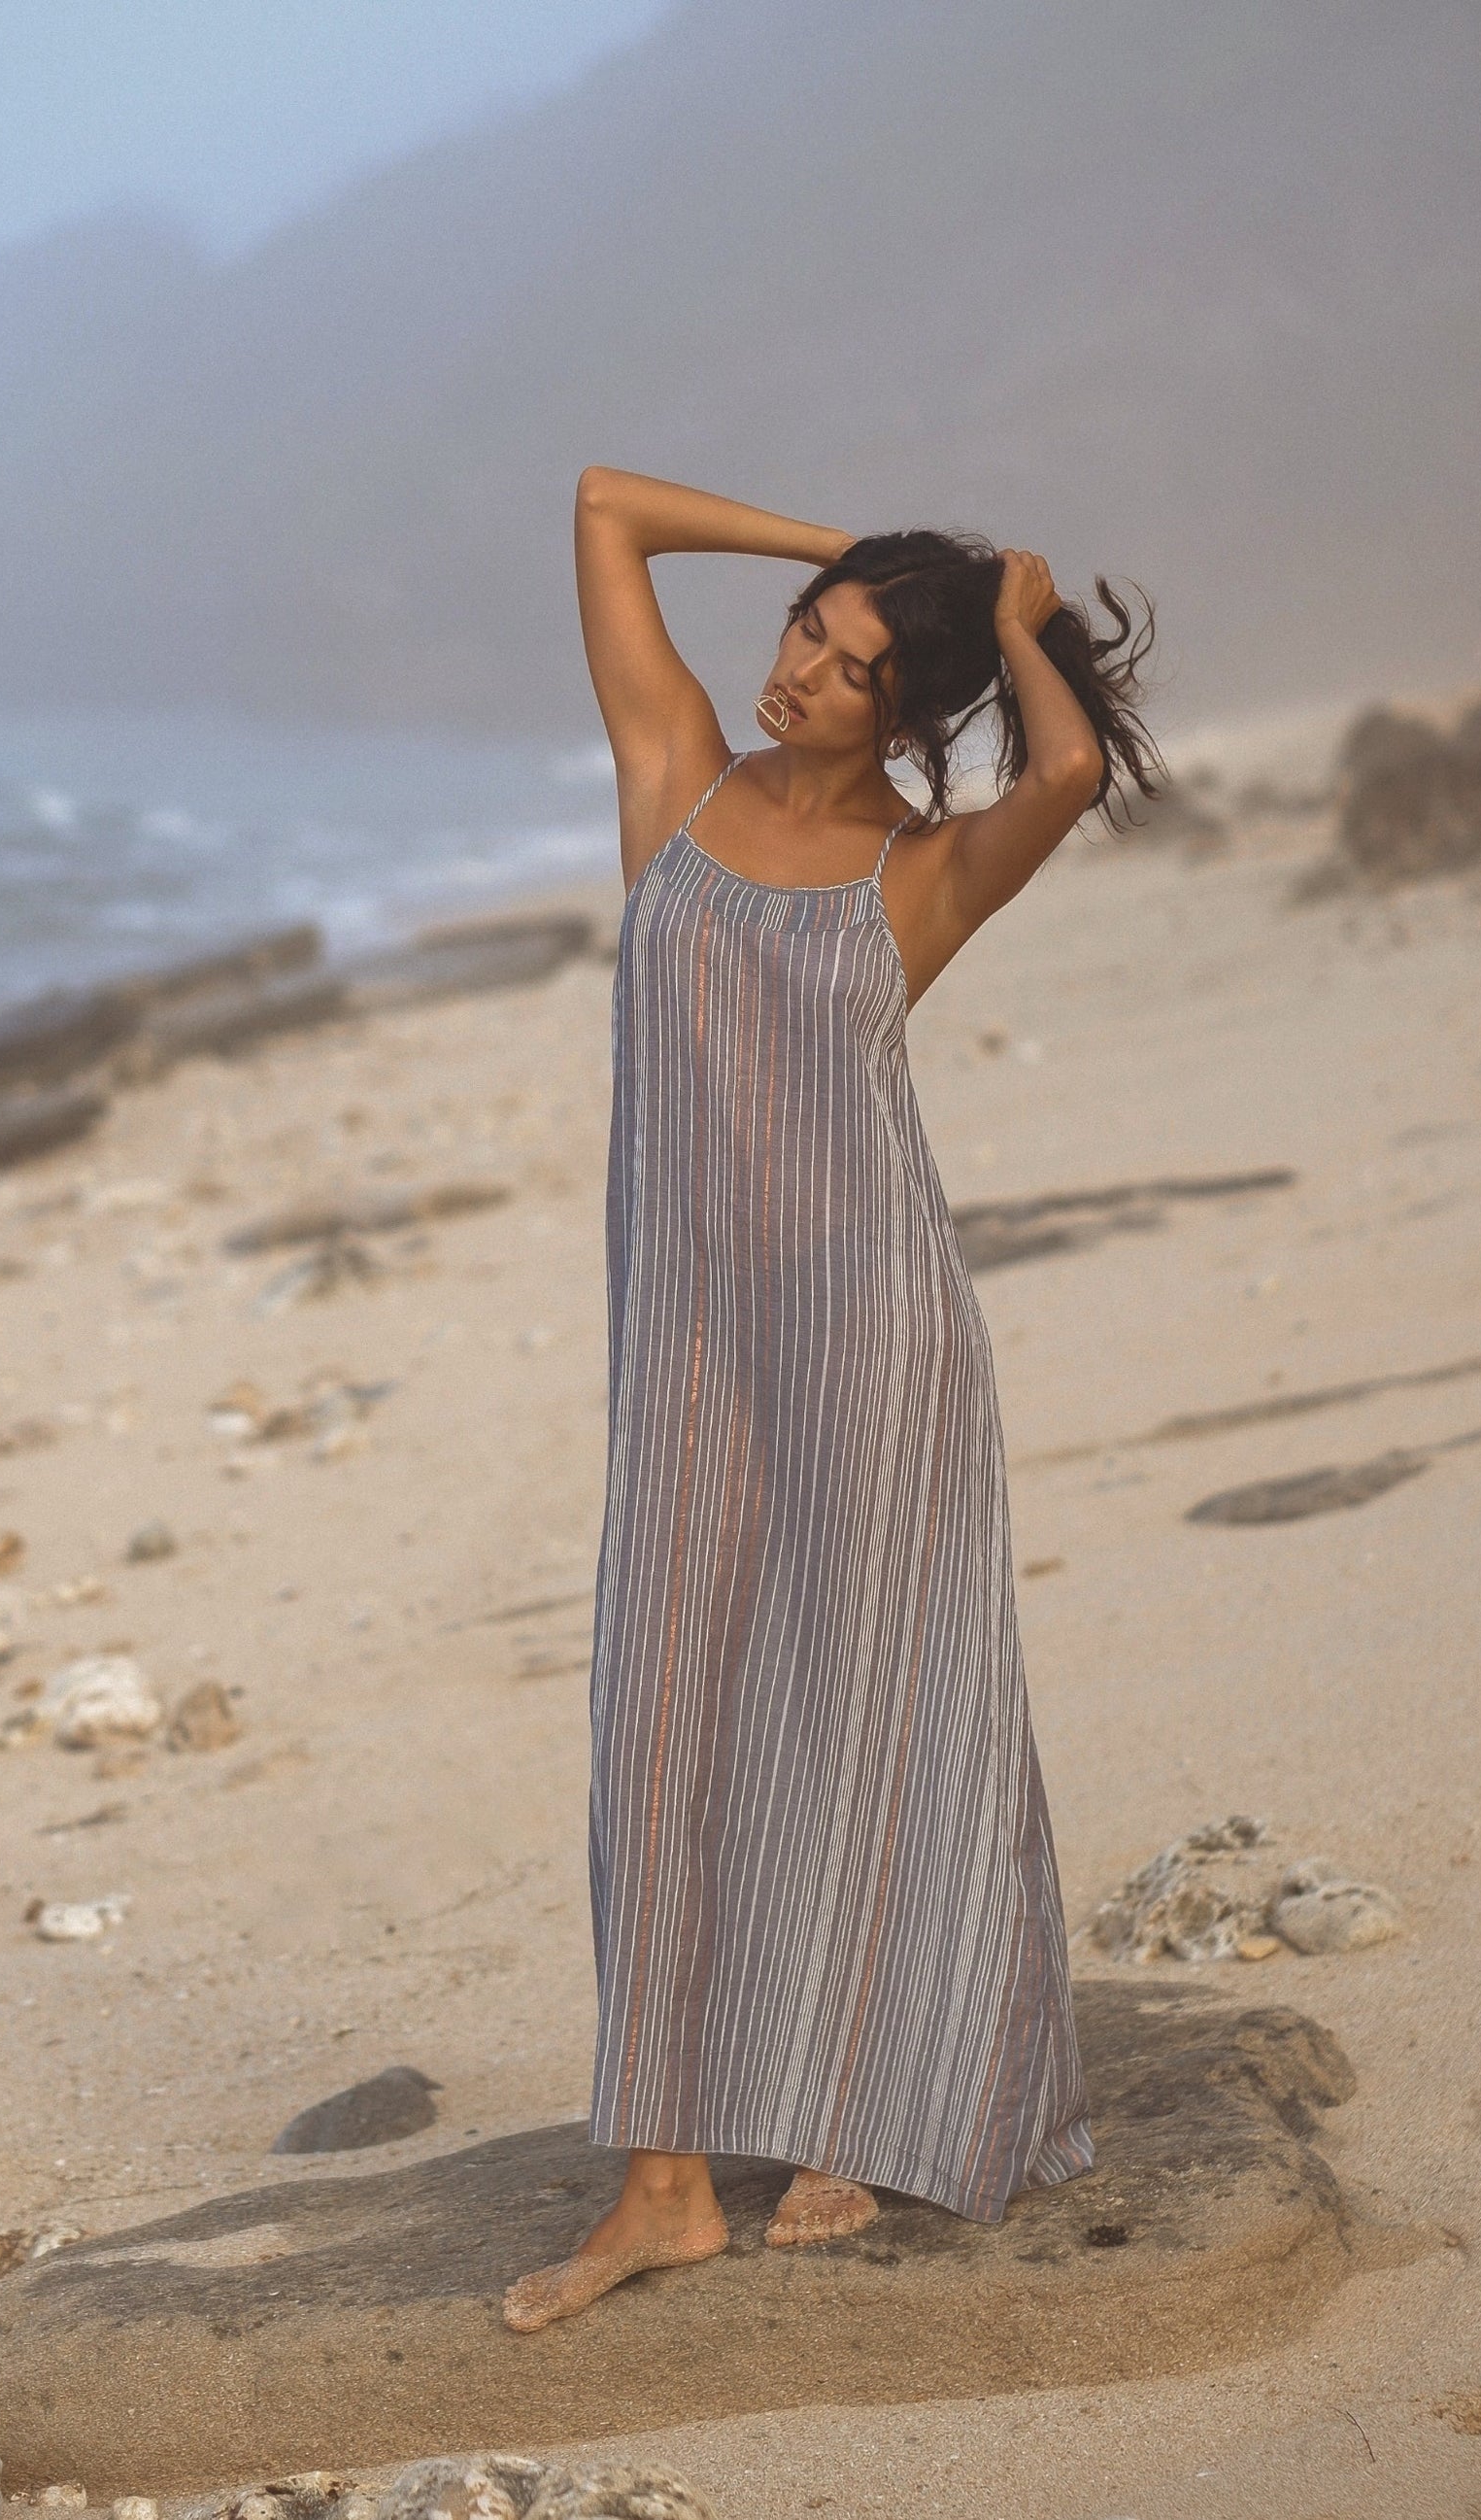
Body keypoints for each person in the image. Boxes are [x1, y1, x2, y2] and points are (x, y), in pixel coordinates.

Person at [503, 467, 1161, 2333]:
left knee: (862, 1715)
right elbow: (605, 507)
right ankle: (661, 2190)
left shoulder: (916, 866)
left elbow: (1056, 778)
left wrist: (1010, 623)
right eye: (807, 637)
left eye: (856, 664)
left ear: (912, 708)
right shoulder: (680, 777)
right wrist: (863, 559)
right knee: (662, 1728)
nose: (802, 669)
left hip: (873, 1340)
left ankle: (856, 2111)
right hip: (690, 1353)